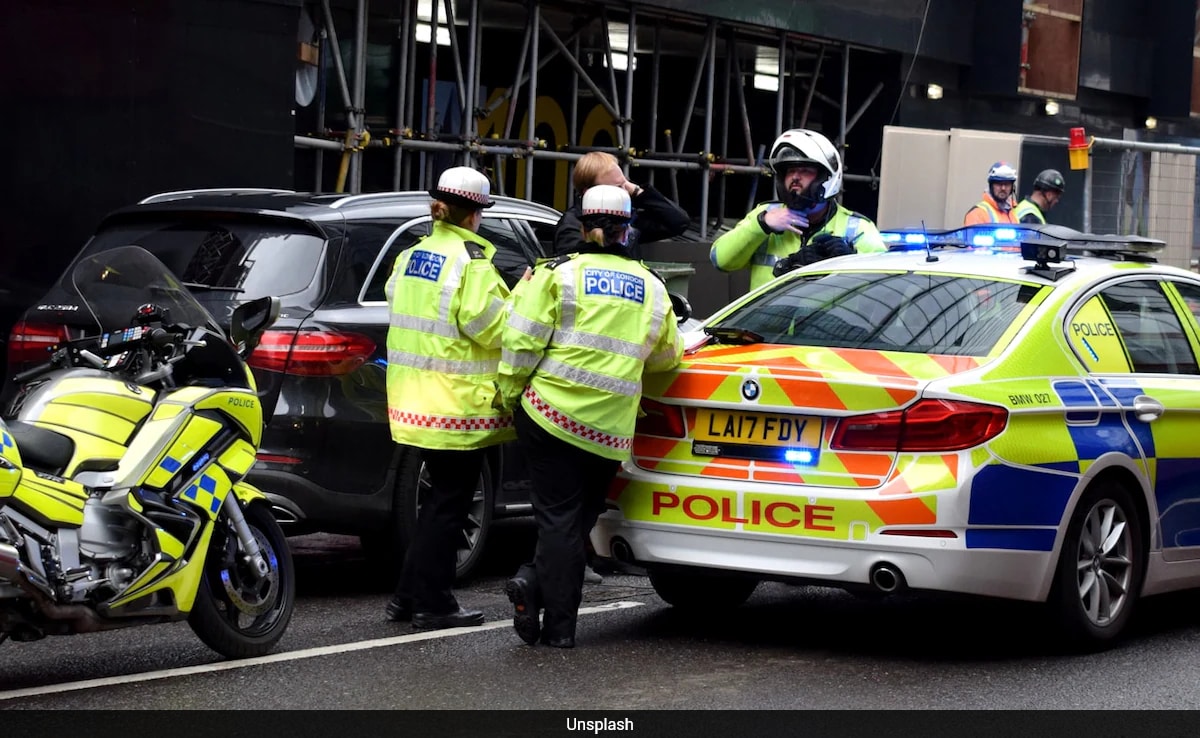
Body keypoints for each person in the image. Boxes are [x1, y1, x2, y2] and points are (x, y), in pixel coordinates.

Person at [497, 185, 684, 648]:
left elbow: (520, 342)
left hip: (549, 416)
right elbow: (667, 358)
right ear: (627, 230)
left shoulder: (555, 275)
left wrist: (508, 396)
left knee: (558, 520)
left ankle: (556, 624)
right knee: (577, 521)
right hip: (608, 431)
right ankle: (538, 592)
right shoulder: (652, 286)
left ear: (581, 226)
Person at [383, 166, 515, 630]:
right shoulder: (472, 263)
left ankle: (406, 598)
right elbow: (492, 327)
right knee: (448, 506)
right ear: (474, 214)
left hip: (414, 401)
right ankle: (433, 602)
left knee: (440, 501)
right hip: (456, 404)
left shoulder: (411, 256)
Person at [709, 128, 885, 291]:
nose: (794, 177)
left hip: (829, 326)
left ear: (826, 177)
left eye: (805, 170)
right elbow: (720, 260)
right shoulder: (764, 214)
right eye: (790, 170)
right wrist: (761, 225)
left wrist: (851, 263)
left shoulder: (857, 228)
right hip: (765, 325)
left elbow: (885, 288)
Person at [553, 151, 689, 260]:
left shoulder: (623, 217)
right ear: (590, 192)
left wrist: (637, 191)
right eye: (618, 187)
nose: (625, 192)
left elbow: (679, 222)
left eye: (626, 184)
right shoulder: (571, 226)